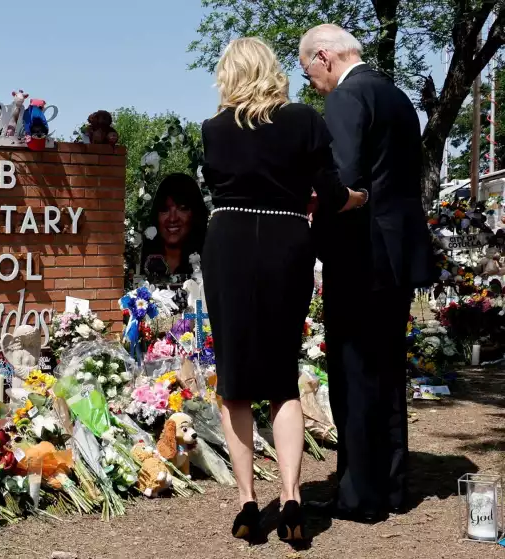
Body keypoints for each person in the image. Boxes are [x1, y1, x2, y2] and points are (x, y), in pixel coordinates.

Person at [201, 37, 367, 544]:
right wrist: (357, 199)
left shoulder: (213, 129)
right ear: (272, 70)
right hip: (285, 242)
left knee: (235, 383)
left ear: (229, 74)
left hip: (227, 244)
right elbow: (333, 192)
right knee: (281, 377)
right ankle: (292, 495)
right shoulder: (303, 121)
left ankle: (248, 504)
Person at [299, 24, 435, 523]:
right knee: (387, 372)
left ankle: (359, 495)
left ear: (324, 58)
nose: (310, 83)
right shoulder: (398, 99)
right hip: (396, 255)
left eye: (307, 71)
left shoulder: (346, 98)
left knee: (354, 374)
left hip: (360, 256)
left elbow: (345, 181)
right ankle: (394, 486)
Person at [140, 173, 208, 280]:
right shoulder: (140, 260)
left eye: (182, 208)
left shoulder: (211, 262)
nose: (172, 218)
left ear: (195, 214)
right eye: (165, 209)